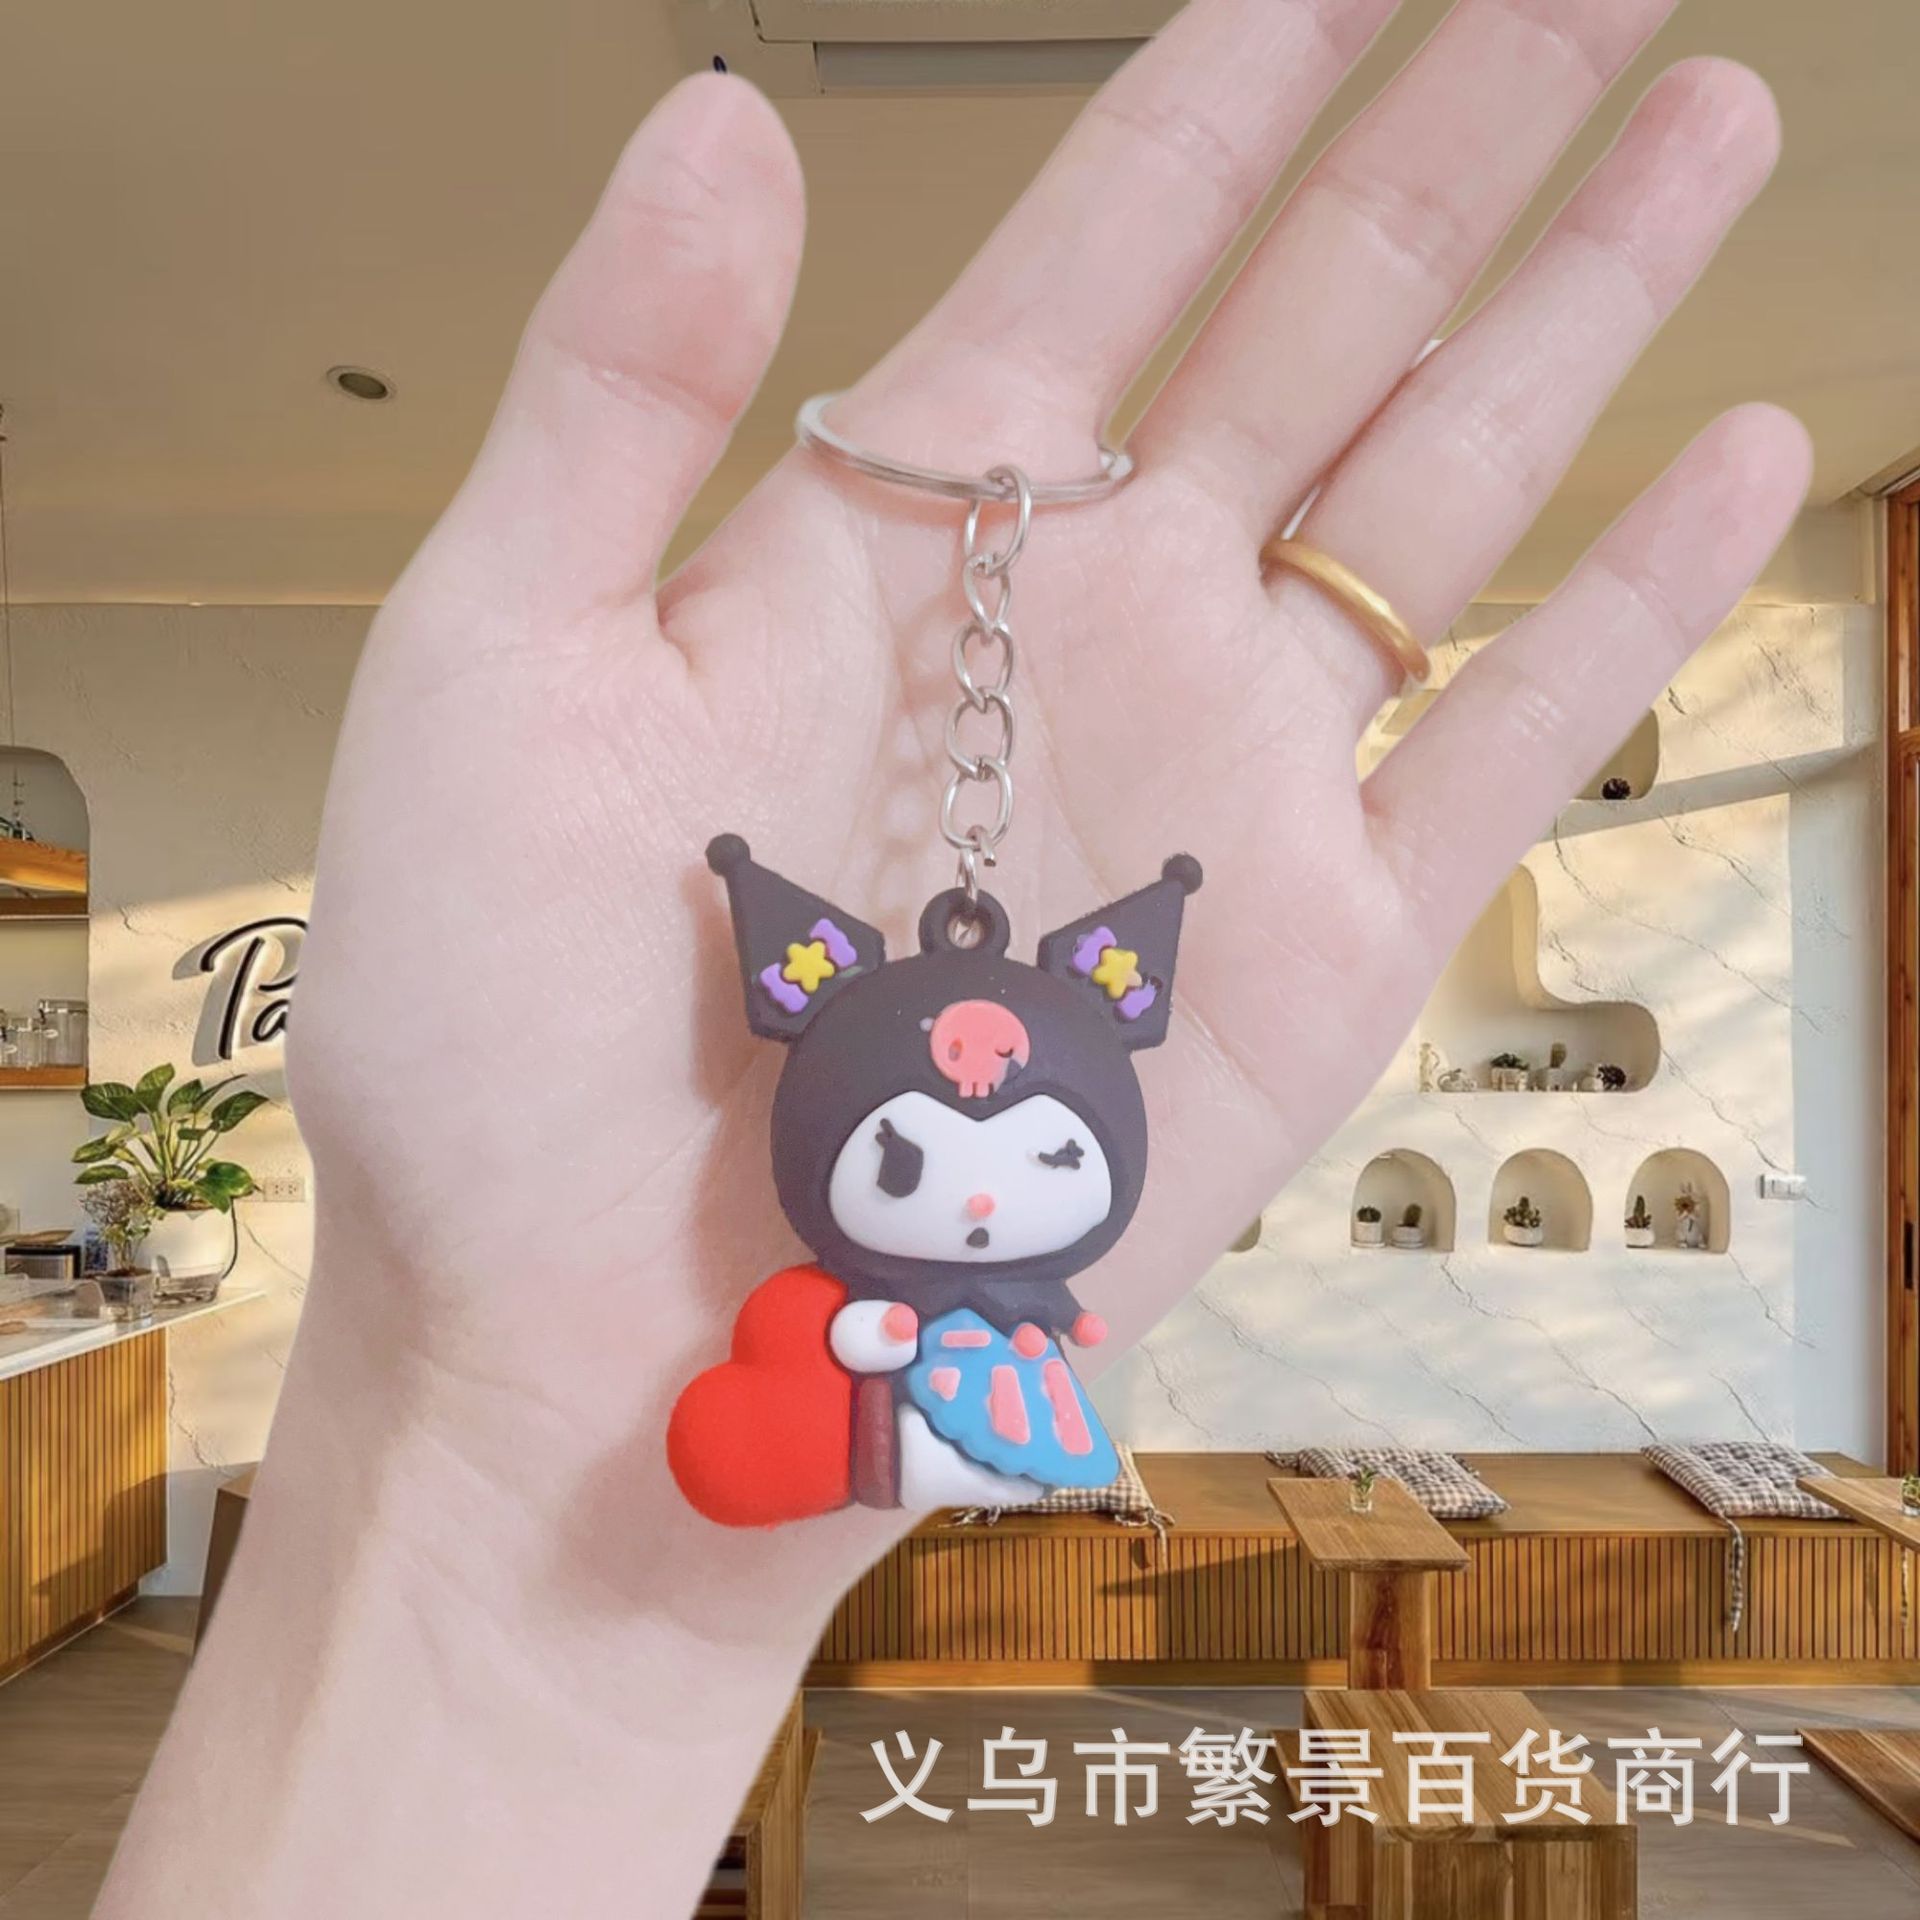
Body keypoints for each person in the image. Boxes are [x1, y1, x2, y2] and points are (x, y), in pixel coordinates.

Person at [93, 1, 1808, 1913]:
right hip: (838, 1399)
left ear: (1114, 1020)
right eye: (917, 1158)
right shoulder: (849, 1261)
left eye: (1024, 1156)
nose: (984, 1183)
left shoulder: (1024, 1272)